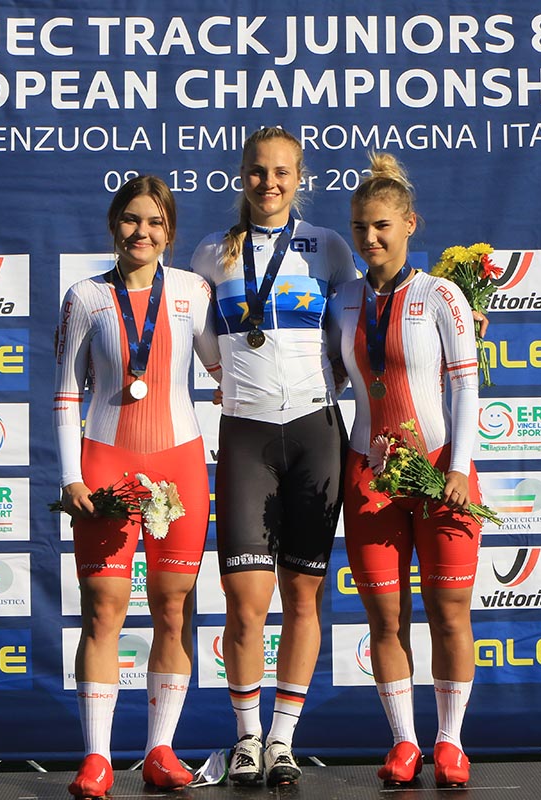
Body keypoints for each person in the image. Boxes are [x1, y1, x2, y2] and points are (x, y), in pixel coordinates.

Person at [189, 126, 357, 786]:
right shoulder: (211, 252)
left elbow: (361, 321)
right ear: (242, 175)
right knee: (244, 601)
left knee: (303, 595)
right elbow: (204, 348)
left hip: (316, 432)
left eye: (283, 172)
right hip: (246, 435)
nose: (270, 183)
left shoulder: (329, 247)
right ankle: (248, 737)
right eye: (258, 171)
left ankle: (284, 739)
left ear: (300, 176)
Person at [54, 175, 221, 798]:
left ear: (169, 232)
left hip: (179, 466)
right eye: (130, 220)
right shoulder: (84, 297)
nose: (142, 232)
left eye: (154, 222)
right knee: (103, 613)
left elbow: (224, 368)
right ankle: (97, 760)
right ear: (113, 225)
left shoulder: (194, 292)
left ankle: (159, 753)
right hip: (103, 465)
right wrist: (71, 474)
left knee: (172, 612)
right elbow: (67, 394)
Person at [327, 153, 481, 788]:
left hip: (442, 470)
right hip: (370, 475)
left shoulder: (441, 294)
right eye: (361, 226)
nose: (370, 238)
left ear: (410, 224)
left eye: (383, 226)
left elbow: (467, 387)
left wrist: (459, 469)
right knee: (385, 620)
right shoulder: (341, 301)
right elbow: (329, 380)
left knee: (449, 614)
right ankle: (404, 742)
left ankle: (450, 741)